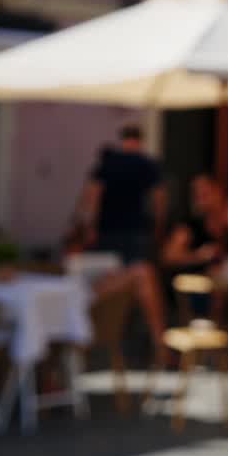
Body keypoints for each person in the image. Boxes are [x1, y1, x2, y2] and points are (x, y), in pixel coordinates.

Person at [76, 126, 168, 361]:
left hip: (107, 232)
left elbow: (92, 196)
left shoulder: (108, 163)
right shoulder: (147, 164)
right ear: (140, 140)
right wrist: (158, 226)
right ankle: (153, 340)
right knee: (138, 279)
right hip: (136, 232)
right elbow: (159, 200)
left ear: (123, 139)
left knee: (111, 279)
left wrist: (90, 227)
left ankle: (102, 332)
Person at [163, 175, 228, 321]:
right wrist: (197, 256)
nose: (200, 197)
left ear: (219, 192)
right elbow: (169, 256)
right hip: (199, 292)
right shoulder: (190, 226)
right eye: (196, 193)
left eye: (205, 192)